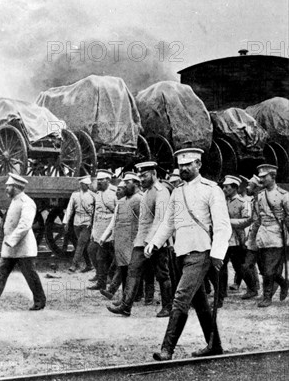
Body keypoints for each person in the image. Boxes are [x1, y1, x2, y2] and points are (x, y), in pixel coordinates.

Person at [145, 148, 231, 360]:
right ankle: (215, 346)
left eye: (188, 164)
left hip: (202, 251)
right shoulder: (177, 191)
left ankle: (167, 350)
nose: (183, 168)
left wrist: (218, 253)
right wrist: (155, 242)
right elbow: (169, 222)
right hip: (181, 252)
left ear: (198, 165)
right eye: (181, 165)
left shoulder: (212, 190)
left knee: (181, 298)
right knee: (200, 302)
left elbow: (222, 225)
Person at [107, 162, 172, 317]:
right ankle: (126, 306)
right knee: (133, 270)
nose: (141, 179)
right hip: (141, 240)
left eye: (145, 175)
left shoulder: (160, 192)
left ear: (154, 173)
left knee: (162, 274)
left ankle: (168, 307)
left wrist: (152, 242)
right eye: (140, 176)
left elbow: (160, 219)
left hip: (155, 241)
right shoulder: (147, 192)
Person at [0, 173, 46, 310]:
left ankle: (40, 301)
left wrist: (12, 240)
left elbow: (25, 225)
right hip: (10, 247)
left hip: (23, 247)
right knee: (0, 272)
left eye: (9, 186)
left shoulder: (27, 202)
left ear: (17, 187)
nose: (6, 189)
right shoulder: (14, 201)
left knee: (30, 275)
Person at [249, 164, 289, 307]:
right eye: (260, 177)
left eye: (264, 177)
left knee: (269, 269)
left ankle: (267, 297)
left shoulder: (283, 195)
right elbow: (257, 218)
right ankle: (284, 283)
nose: (261, 180)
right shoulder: (259, 195)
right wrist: (252, 239)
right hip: (262, 236)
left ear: (273, 177)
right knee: (264, 268)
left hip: (276, 235)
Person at [99, 173, 142, 295]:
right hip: (121, 242)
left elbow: (142, 222)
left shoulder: (139, 199)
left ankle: (134, 295)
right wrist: (105, 237)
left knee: (131, 269)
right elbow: (115, 221)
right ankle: (125, 295)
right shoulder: (122, 202)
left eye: (124, 186)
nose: (120, 191)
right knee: (124, 269)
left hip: (132, 241)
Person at [218, 175, 256, 306]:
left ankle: (253, 288)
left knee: (240, 266)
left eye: (227, 187)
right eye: (223, 186)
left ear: (234, 187)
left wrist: (228, 222)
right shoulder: (223, 201)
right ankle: (221, 292)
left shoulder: (242, 202)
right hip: (224, 239)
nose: (224, 189)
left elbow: (247, 220)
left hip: (237, 239)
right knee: (221, 266)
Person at [88, 170, 117, 290]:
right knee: (93, 252)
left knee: (109, 257)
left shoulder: (115, 192)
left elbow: (118, 214)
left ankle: (109, 280)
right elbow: (96, 214)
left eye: (101, 180)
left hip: (110, 231)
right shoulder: (98, 193)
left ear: (108, 180)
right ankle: (101, 281)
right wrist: (93, 232)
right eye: (98, 180)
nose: (99, 182)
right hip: (99, 230)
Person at [63, 176, 95, 272]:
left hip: (87, 223)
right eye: (81, 184)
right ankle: (89, 265)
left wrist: (93, 223)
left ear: (88, 185)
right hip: (76, 223)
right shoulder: (75, 195)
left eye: (84, 184)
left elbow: (96, 211)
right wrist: (66, 221)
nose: (82, 186)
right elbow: (70, 209)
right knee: (83, 244)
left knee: (80, 243)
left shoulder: (93, 195)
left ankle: (74, 264)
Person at [241, 175, 262, 299]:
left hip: (262, 237)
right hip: (254, 237)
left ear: (256, 187)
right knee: (247, 265)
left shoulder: (260, 200)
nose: (247, 187)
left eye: (250, 185)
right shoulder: (254, 200)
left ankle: (282, 283)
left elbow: (257, 220)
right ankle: (253, 289)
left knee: (266, 269)